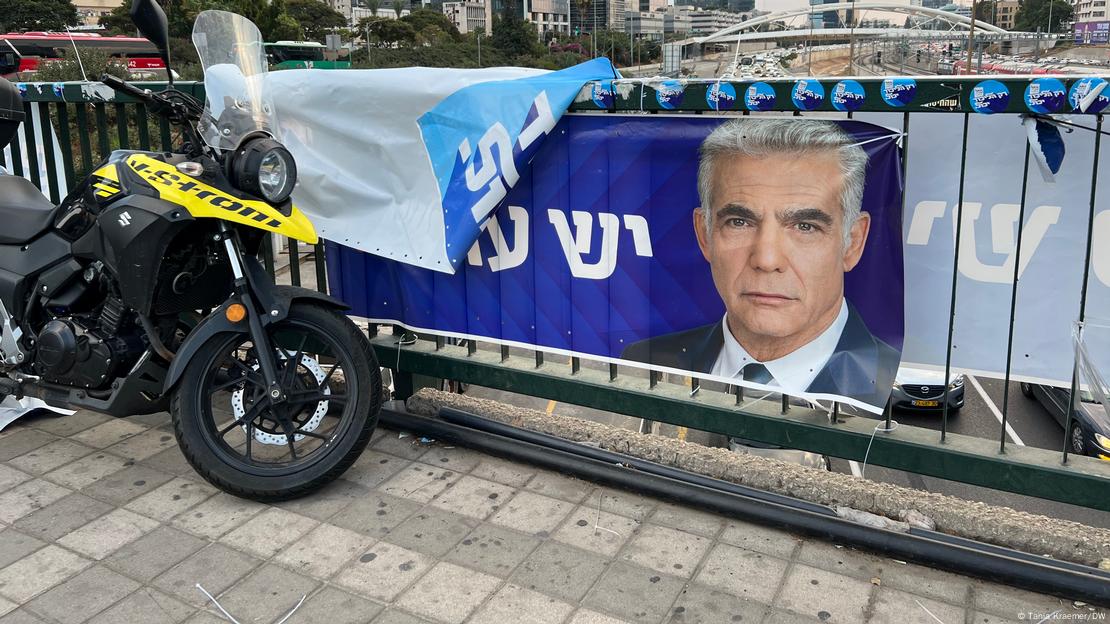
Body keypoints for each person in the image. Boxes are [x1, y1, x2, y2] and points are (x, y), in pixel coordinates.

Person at [622, 118, 899, 408]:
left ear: (852, 243)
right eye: (739, 222)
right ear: (705, 235)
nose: (767, 260)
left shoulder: (899, 392)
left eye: (805, 226)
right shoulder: (642, 362)